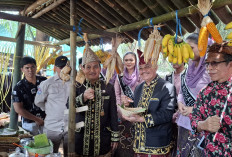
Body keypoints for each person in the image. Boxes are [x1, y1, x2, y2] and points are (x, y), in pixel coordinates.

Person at [122, 49, 176, 157]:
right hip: (138, 142)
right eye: (140, 68)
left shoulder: (166, 87)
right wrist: (128, 105)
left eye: (147, 66)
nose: (143, 71)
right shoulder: (138, 88)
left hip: (157, 144)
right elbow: (139, 108)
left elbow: (167, 114)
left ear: (155, 67)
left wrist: (142, 119)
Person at [74, 48, 119, 156]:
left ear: (100, 69)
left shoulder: (108, 87)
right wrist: (83, 97)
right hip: (81, 139)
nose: (92, 70)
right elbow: (68, 107)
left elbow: (113, 113)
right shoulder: (77, 86)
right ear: (82, 68)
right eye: (88, 67)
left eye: (95, 67)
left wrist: (115, 137)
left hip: (103, 139)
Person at [190, 42, 232, 156]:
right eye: (207, 64)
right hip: (210, 153)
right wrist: (203, 125)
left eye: (214, 63)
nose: (209, 68)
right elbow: (194, 119)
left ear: (230, 64)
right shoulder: (205, 92)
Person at [176, 33, 211, 156]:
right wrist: (180, 102)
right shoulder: (188, 70)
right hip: (184, 122)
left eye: (191, 48)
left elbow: (215, 99)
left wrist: (194, 109)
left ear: (202, 47)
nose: (188, 52)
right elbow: (181, 92)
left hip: (201, 124)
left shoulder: (210, 70)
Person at [34, 56, 70, 155]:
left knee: (71, 154)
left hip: (70, 127)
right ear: (55, 68)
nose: (63, 70)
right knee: (50, 154)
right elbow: (38, 101)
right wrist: (50, 110)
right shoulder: (47, 83)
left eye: (65, 67)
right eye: (60, 67)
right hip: (52, 126)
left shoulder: (75, 83)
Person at [114, 52, 142, 157]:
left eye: (131, 60)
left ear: (135, 61)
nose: (128, 62)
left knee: (136, 142)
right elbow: (117, 95)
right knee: (123, 144)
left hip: (138, 113)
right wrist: (121, 107)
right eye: (126, 60)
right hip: (123, 114)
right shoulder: (119, 77)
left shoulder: (141, 76)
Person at [12, 56, 46, 135]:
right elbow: (18, 109)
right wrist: (36, 119)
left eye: (32, 67)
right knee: (32, 145)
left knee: (49, 144)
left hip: (47, 121)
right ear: (22, 70)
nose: (30, 70)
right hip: (30, 124)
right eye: (27, 68)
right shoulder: (19, 87)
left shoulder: (44, 81)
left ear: (36, 67)